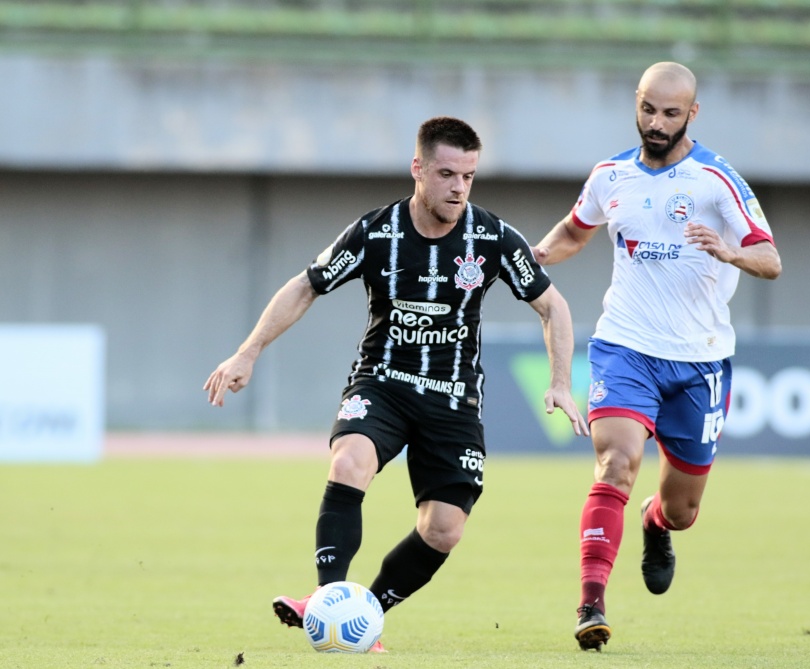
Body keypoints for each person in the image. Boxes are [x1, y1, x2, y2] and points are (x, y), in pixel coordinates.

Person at [204, 116, 589, 652]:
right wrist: (248, 352)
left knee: (444, 530)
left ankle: (366, 615)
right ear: (418, 169)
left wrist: (561, 381)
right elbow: (305, 285)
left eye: (469, 176)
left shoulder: (494, 237)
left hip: (453, 398)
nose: (458, 187)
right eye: (447, 173)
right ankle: (328, 601)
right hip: (382, 383)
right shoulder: (375, 232)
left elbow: (553, 305)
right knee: (348, 463)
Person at [532, 62, 782, 652]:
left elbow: (770, 259)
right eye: (648, 109)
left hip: (700, 362)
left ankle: (653, 523)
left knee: (683, 509)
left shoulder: (717, 181)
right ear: (636, 103)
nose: (656, 122)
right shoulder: (611, 175)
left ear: (692, 114)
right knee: (616, 462)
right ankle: (591, 604)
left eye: (671, 113)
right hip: (625, 347)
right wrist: (533, 258)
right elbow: (575, 230)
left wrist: (728, 252)